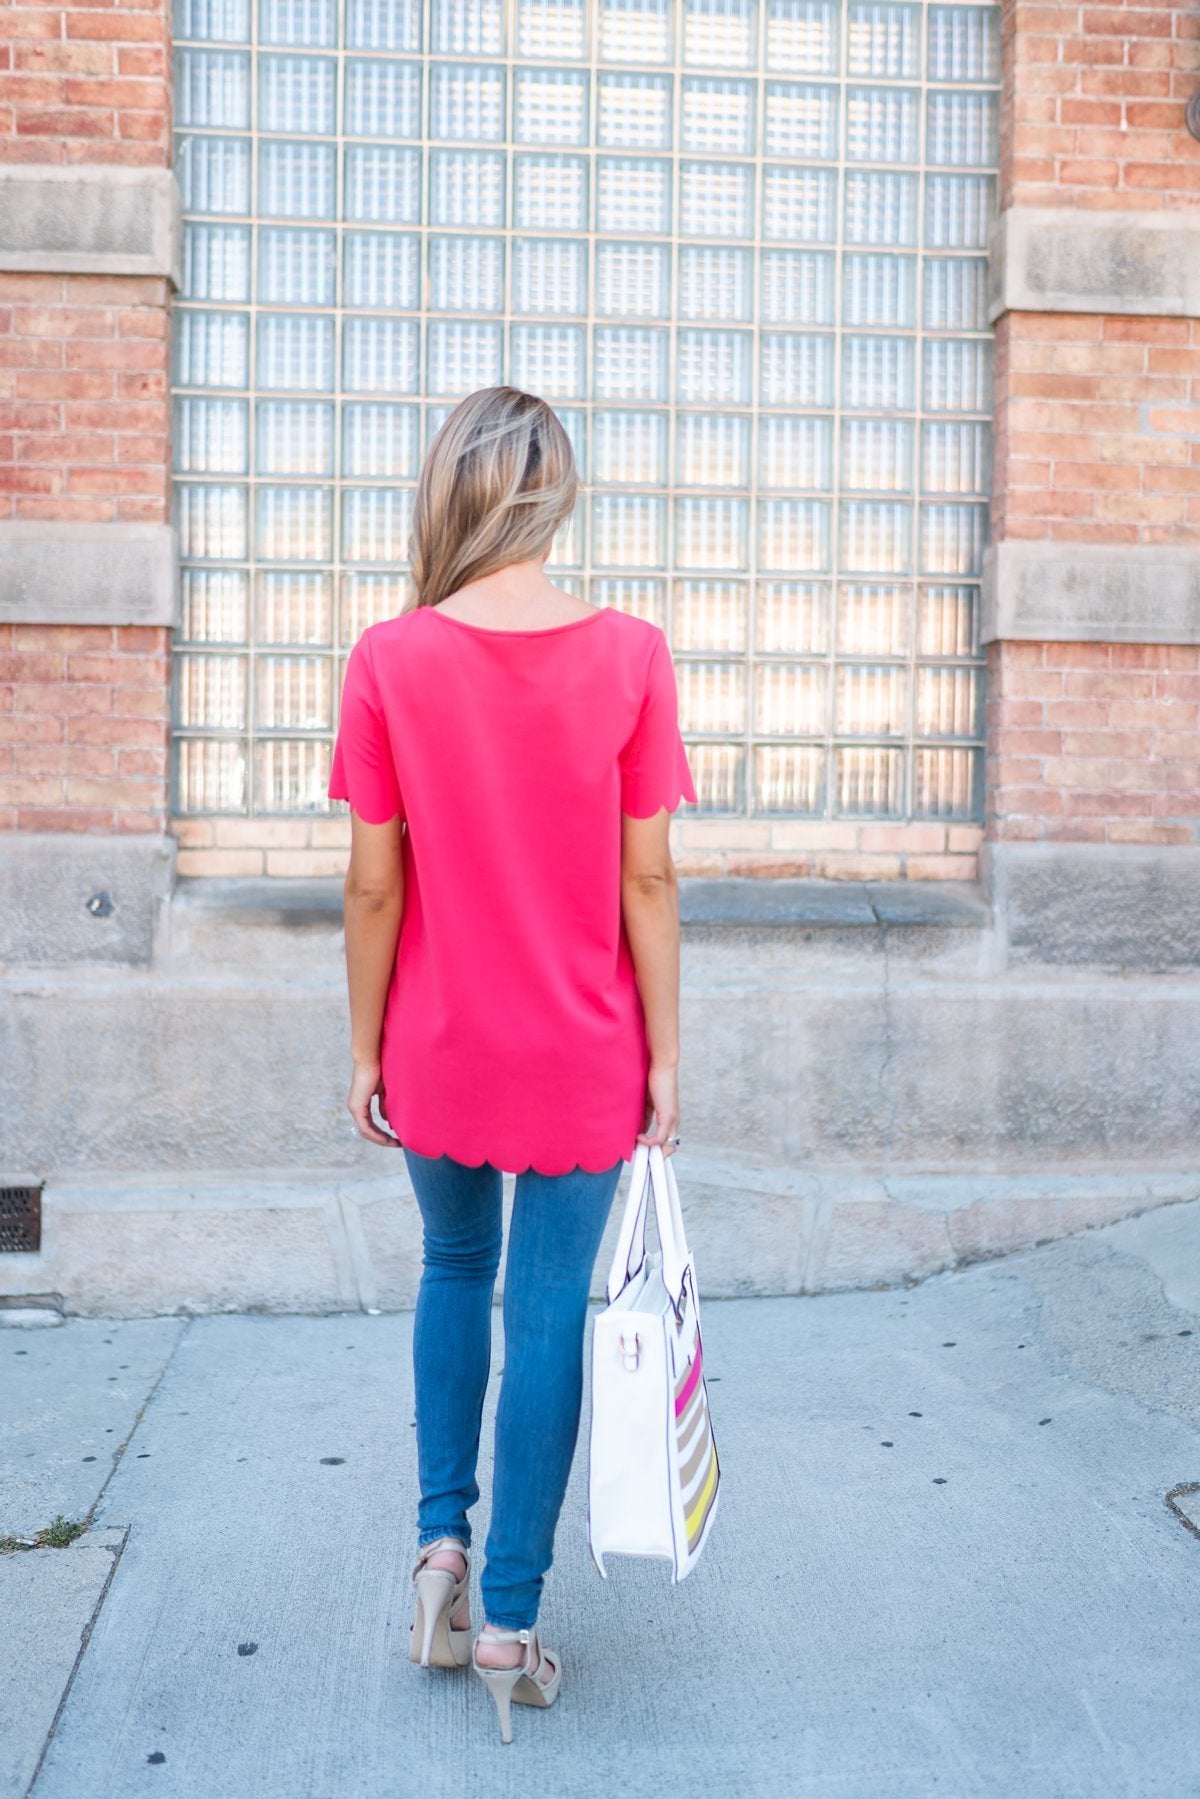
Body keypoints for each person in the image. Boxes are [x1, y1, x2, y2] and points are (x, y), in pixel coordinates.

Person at [327, 384, 697, 1743]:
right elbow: (647, 882)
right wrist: (667, 1053)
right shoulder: (632, 655)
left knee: (451, 1271)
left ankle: (440, 1558)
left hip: (438, 1045)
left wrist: (363, 1047)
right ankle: (512, 1627)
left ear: (449, 491)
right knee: (546, 1315)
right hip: (579, 1052)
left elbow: (373, 889)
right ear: (558, 493)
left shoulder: (390, 658)